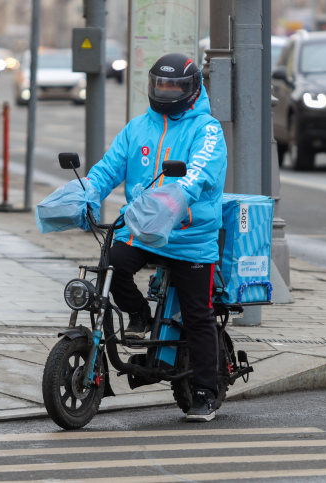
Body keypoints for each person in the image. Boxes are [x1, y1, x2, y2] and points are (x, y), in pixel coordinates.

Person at [85, 53, 227, 422]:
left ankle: (205, 393)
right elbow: (108, 169)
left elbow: (198, 174)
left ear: (193, 90)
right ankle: (139, 315)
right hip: (144, 231)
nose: (166, 91)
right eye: (160, 84)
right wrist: (84, 194)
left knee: (198, 314)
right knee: (112, 263)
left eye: (175, 86)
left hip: (190, 236)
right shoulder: (137, 128)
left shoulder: (207, 129)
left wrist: (174, 201)